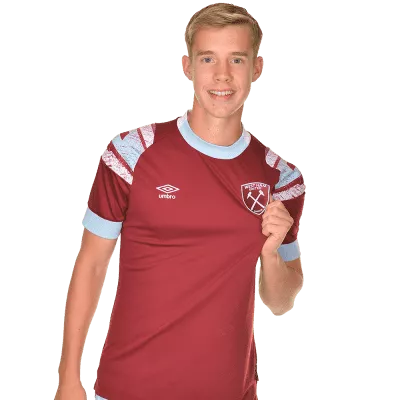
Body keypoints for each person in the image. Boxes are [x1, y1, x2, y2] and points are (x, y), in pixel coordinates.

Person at [54, 2, 305, 399]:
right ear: (187, 67)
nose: (222, 75)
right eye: (208, 58)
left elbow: (280, 300)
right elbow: (91, 264)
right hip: (129, 388)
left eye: (237, 59)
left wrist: (271, 253)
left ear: (257, 69)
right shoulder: (132, 154)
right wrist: (69, 380)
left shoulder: (281, 178)